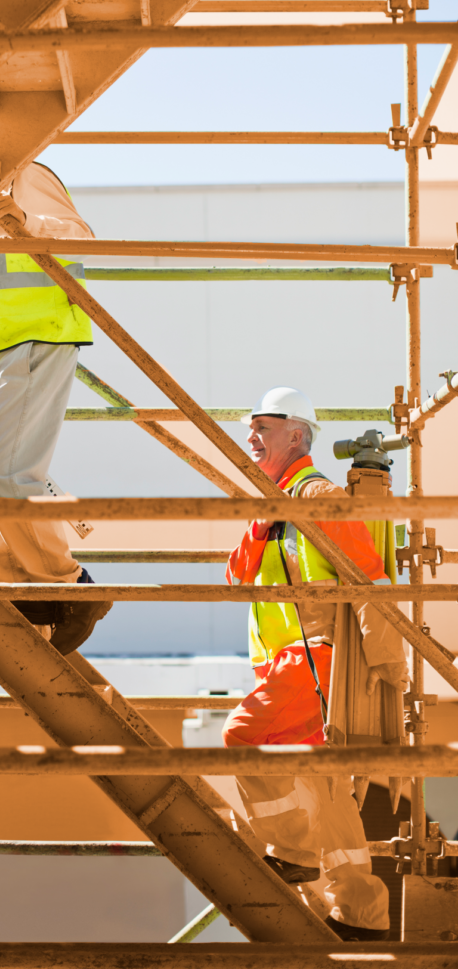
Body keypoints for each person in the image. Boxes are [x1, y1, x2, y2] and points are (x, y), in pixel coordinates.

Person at [223, 386, 408, 942]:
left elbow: (371, 578)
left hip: (314, 657)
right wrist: (261, 520)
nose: (251, 436)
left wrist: (386, 664)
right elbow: (236, 576)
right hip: (288, 662)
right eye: (250, 426)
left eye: (263, 427)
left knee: (242, 737)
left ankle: (295, 851)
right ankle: (362, 915)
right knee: (326, 792)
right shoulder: (275, 506)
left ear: (297, 435)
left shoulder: (317, 494)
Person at [0, 161, 111, 655]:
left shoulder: (26, 177)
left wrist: (23, 218)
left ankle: (71, 587)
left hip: (39, 338)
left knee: (6, 476)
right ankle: (19, 586)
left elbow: (79, 237)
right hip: (5, 350)